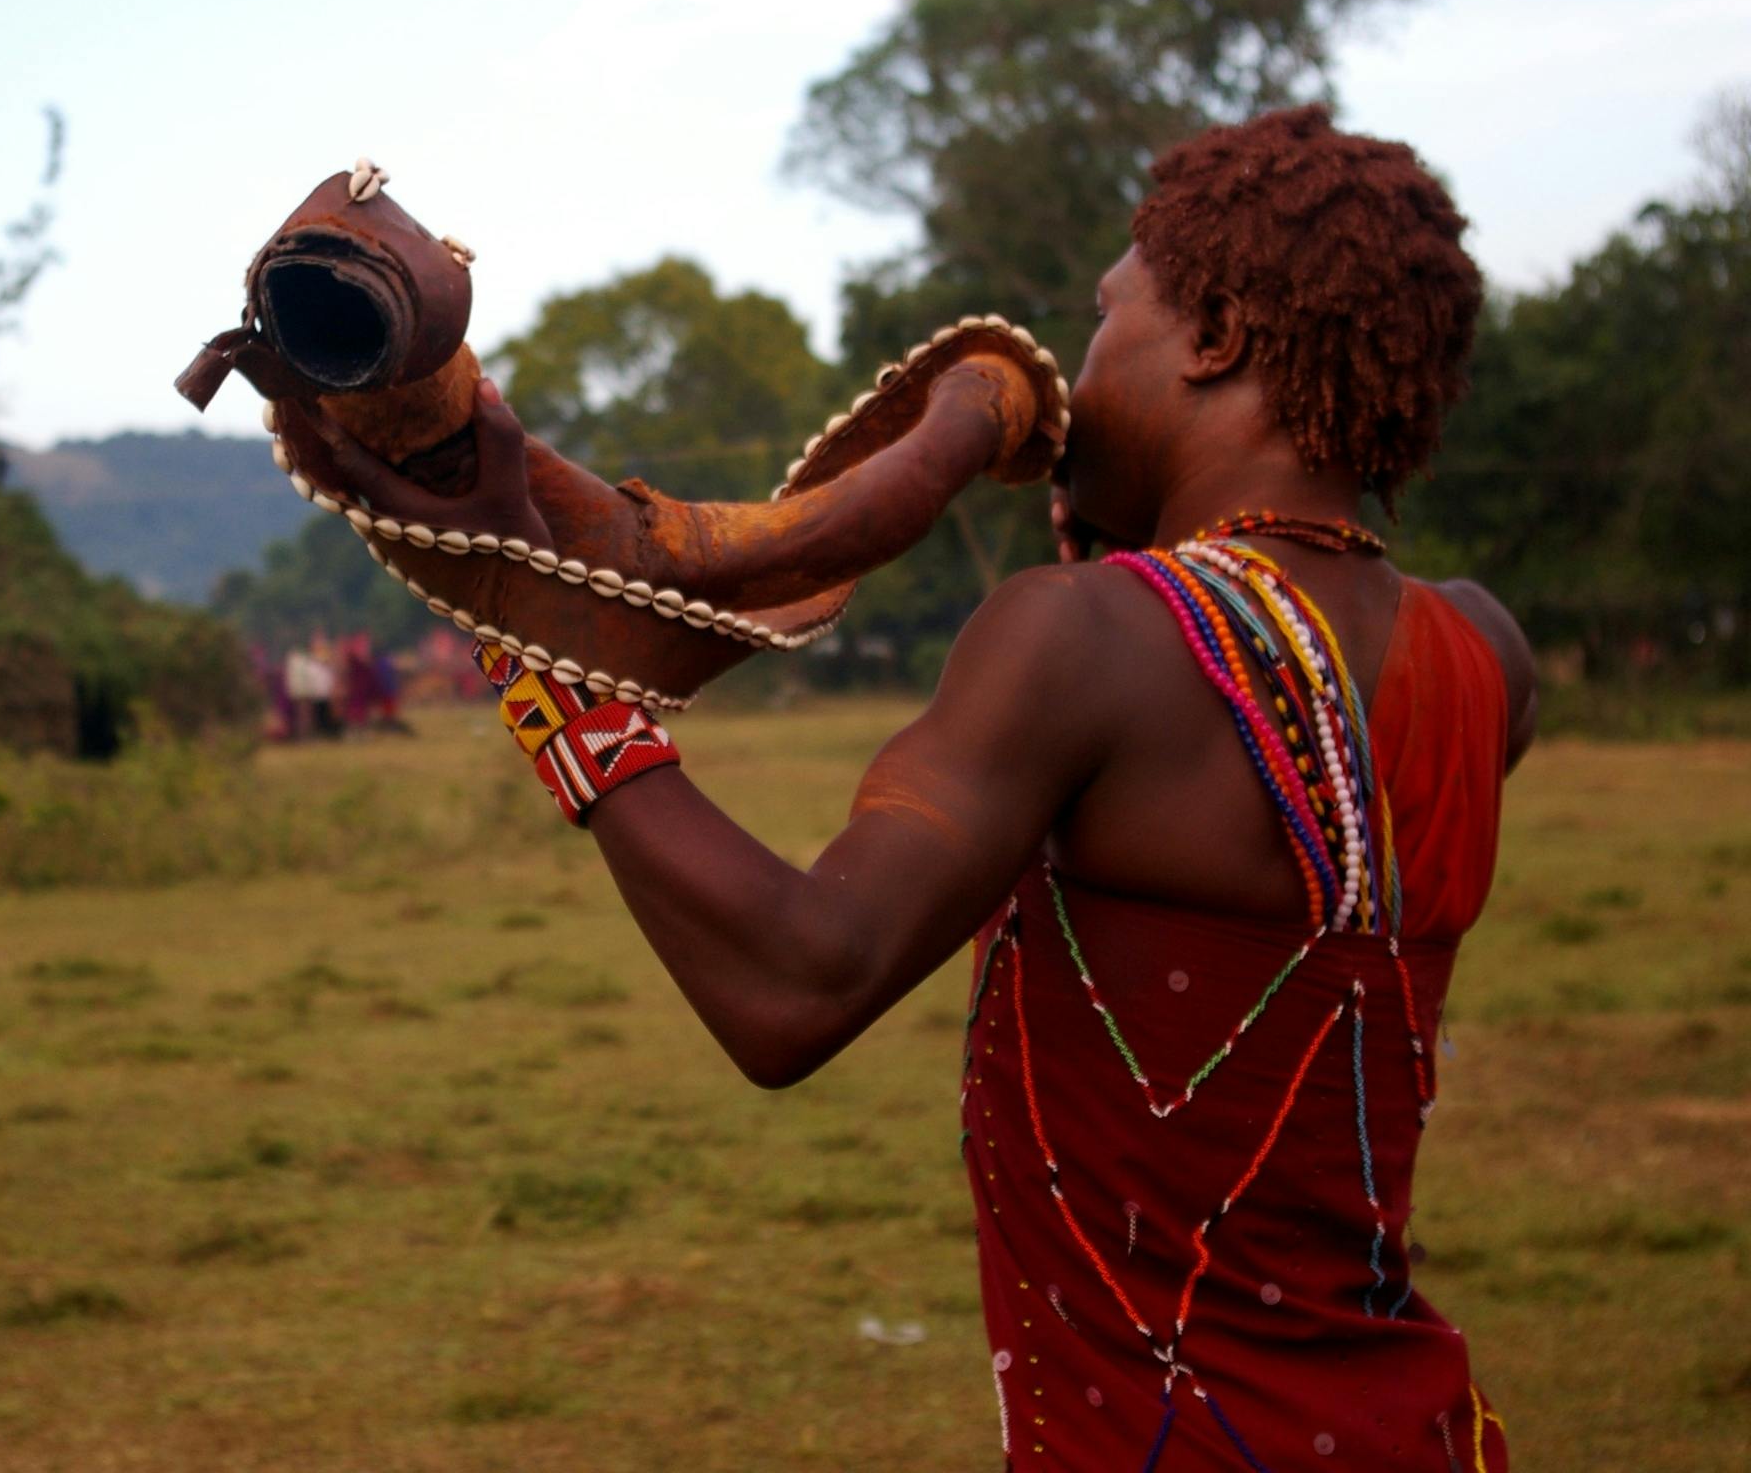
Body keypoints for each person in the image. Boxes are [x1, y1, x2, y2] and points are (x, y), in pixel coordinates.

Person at [304, 106, 1529, 1470]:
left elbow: (792, 987)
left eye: (1109, 310)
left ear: (1216, 336)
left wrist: (532, 654)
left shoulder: (1086, 635)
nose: (1088, 349)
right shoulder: (1488, 654)